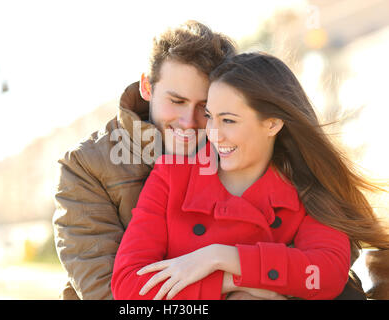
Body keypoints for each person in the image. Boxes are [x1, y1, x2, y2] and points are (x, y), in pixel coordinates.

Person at [111, 52, 389, 300]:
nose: (213, 134)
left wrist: (220, 256)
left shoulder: (309, 188)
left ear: (272, 123)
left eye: (229, 120)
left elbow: (325, 275)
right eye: (210, 117)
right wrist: (231, 282)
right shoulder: (172, 176)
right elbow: (129, 286)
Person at [52, 20, 238, 300]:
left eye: (204, 107)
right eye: (176, 101)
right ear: (147, 87)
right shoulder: (86, 166)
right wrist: (229, 284)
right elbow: (109, 294)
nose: (188, 122)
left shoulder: (240, 153)